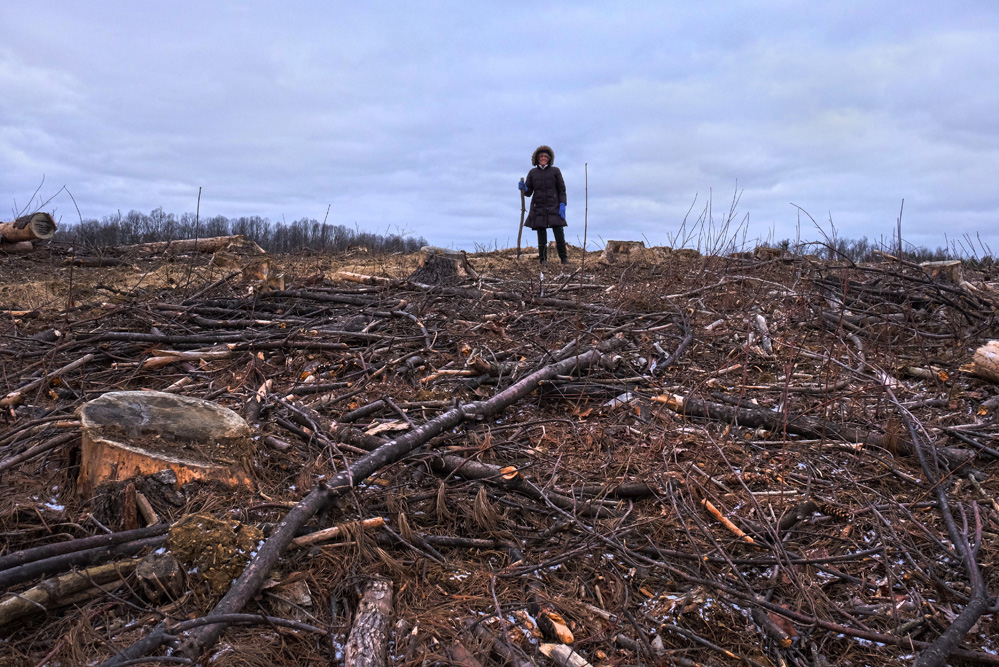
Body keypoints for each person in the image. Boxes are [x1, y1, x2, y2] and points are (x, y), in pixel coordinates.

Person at [519, 145, 568, 266]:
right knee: (541, 237)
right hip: (538, 207)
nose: (543, 158)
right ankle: (543, 260)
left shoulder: (555, 171)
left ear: (549, 158)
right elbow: (529, 192)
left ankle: (564, 259)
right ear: (536, 158)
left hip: (554, 206)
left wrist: (562, 204)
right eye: (541, 156)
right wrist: (524, 188)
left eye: (546, 156)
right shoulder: (532, 173)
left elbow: (562, 190)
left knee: (559, 234)